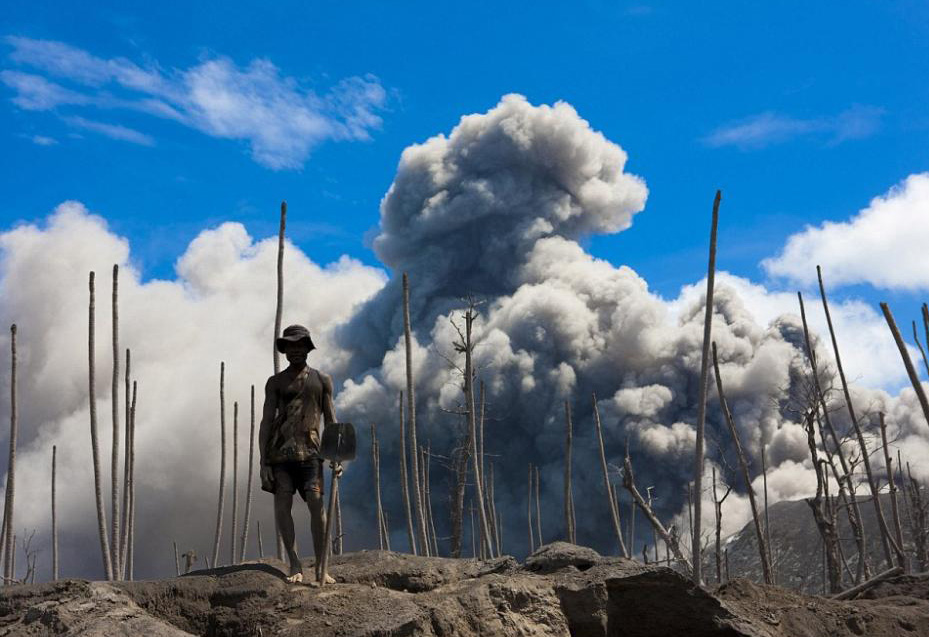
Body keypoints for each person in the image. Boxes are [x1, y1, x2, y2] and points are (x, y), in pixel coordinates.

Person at [259, 324, 341, 584]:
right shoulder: (275, 383)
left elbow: (331, 418)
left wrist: (336, 455)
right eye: (290, 346)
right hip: (280, 456)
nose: (295, 350)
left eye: (300, 345)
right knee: (283, 505)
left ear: (308, 348)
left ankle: (321, 567)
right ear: (285, 351)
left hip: (311, 454)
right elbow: (266, 421)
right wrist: (263, 461)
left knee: (317, 506)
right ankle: (294, 563)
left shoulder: (322, 380)